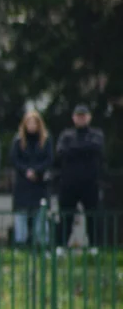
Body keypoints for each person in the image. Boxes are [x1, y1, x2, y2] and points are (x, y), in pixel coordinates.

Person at [53, 104, 106, 251]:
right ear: (73, 118)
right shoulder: (66, 135)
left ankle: (94, 246)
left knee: (93, 216)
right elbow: (61, 152)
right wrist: (84, 149)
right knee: (65, 216)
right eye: (78, 116)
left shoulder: (96, 134)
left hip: (90, 182)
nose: (81, 119)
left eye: (84, 116)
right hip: (69, 183)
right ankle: (61, 246)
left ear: (89, 117)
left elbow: (97, 149)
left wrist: (75, 149)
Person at [10, 110, 53, 246]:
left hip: (39, 184)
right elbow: (14, 159)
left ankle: (41, 245)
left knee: (40, 216)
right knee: (21, 216)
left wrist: (36, 171)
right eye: (29, 122)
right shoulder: (18, 140)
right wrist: (26, 171)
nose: (32, 125)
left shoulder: (46, 140)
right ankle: (20, 245)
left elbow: (49, 159)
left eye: (35, 122)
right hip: (23, 185)